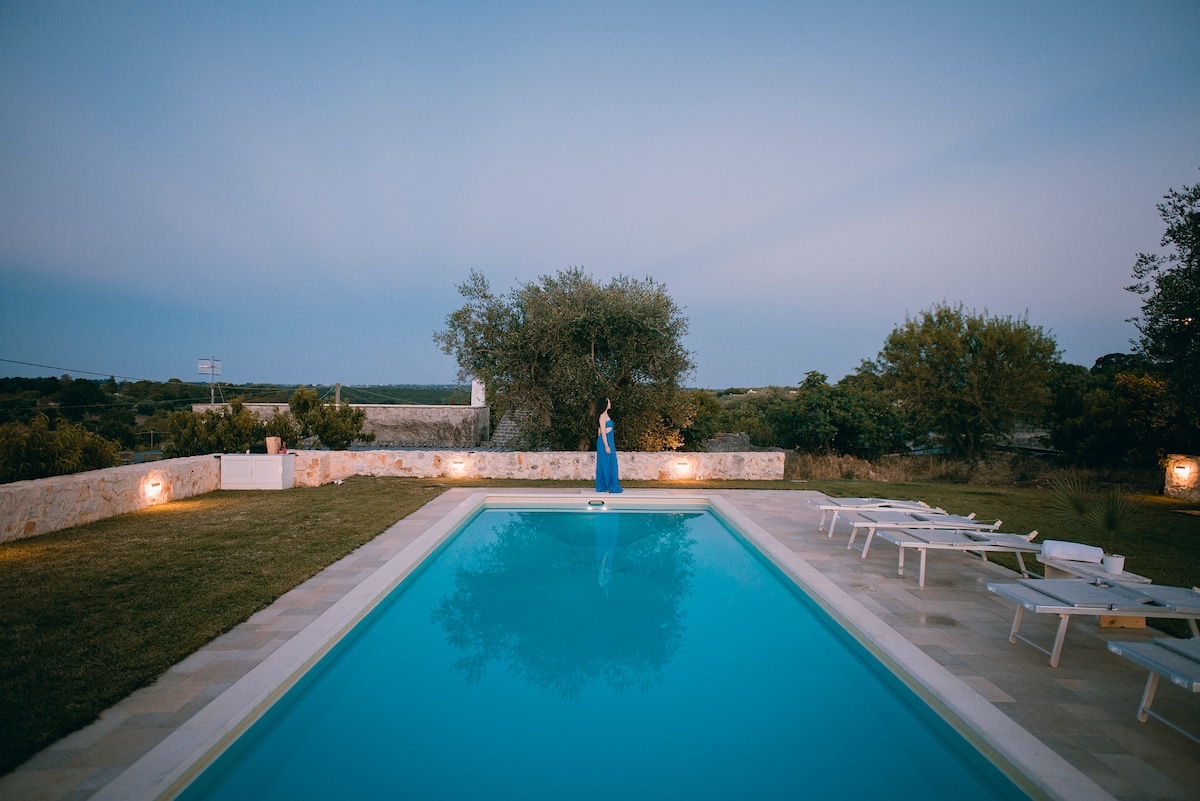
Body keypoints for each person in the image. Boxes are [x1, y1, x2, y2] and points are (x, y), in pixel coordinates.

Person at [594, 396, 622, 493]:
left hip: (609, 440)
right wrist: (606, 446)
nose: (610, 404)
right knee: (605, 463)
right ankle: (605, 485)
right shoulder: (602, 416)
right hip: (605, 441)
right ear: (605, 404)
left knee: (611, 462)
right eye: (609, 402)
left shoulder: (606, 415)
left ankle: (610, 484)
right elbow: (602, 432)